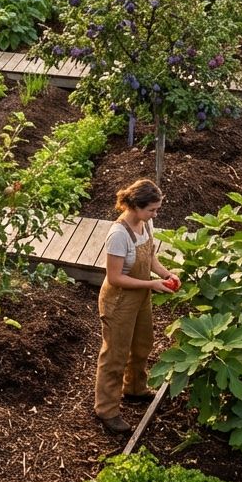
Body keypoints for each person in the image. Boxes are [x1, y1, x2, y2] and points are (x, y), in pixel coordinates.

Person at [95, 179, 179, 436]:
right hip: (119, 302)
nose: (156, 214)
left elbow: (150, 258)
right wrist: (152, 284)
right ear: (135, 206)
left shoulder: (145, 223)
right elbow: (114, 278)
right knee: (115, 355)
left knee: (143, 344)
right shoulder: (118, 235)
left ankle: (134, 388)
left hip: (141, 295)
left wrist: (166, 274)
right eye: (152, 209)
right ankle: (106, 409)